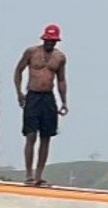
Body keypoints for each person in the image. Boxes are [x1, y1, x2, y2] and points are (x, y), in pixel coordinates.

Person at [14, 24, 69, 187]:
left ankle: (39, 175)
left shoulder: (60, 58)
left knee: (46, 137)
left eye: (52, 41)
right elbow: (18, 70)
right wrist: (19, 93)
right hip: (33, 96)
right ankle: (29, 174)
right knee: (31, 135)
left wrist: (64, 101)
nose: (49, 43)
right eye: (47, 40)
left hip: (48, 98)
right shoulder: (32, 52)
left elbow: (61, 80)